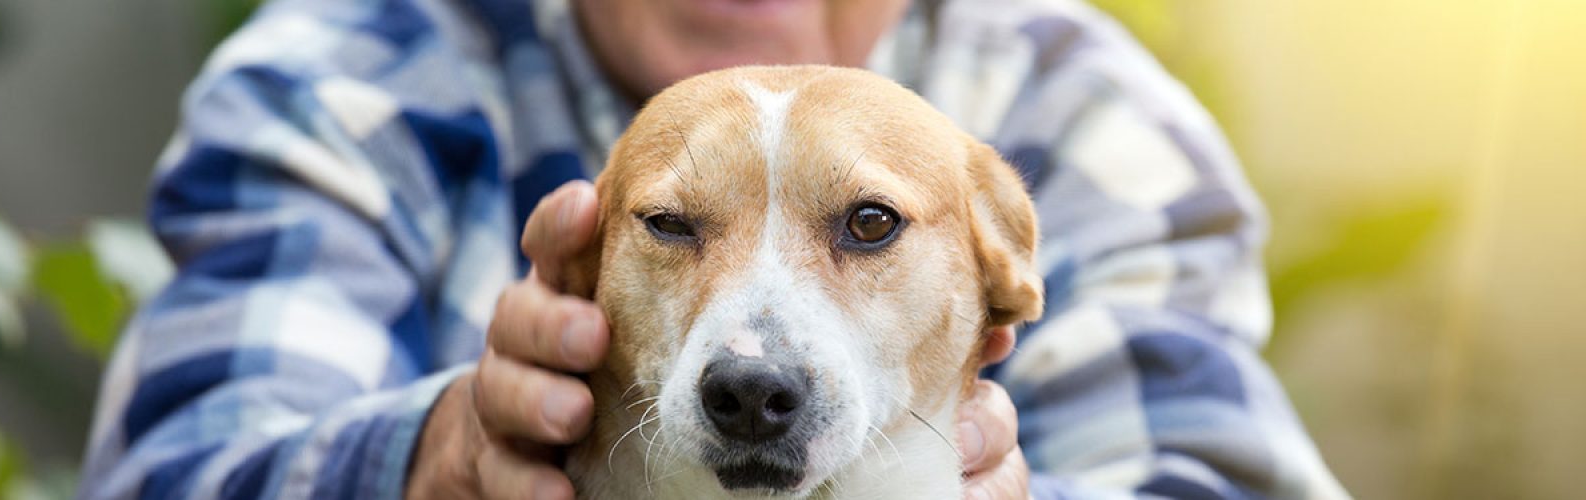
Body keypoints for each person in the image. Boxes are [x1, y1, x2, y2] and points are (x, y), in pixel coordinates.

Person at [77, 0, 1350, 498]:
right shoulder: (339, 83)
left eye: (865, 227)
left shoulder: (1090, 120)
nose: (755, 357)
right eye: (674, 227)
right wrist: (426, 462)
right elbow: (174, 472)